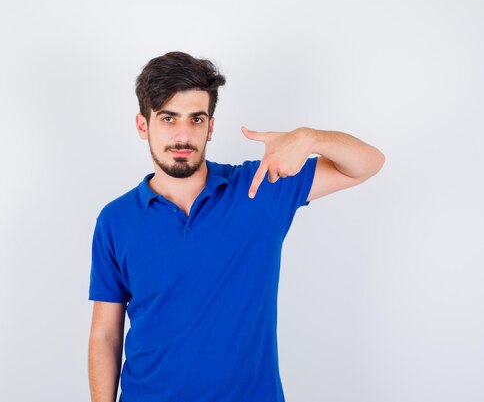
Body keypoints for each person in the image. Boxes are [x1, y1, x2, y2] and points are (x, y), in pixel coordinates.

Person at [87, 51, 385, 402]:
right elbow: (106, 334)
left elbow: (367, 163)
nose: (183, 135)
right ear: (143, 125)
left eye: (196, 119)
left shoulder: (260, 188)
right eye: (168, 118)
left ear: (210, 127)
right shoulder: (115, 220)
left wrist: (309, 138)